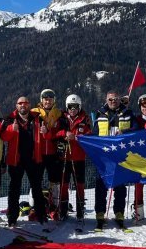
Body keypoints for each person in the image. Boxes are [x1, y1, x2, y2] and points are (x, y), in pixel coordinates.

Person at [1, 96, 46, 227]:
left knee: (37, 188)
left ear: (29, 105)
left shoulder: (37, 118)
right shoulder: (9, 119)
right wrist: (11, 129)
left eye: (25, 103)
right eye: (20, 103)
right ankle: (12, 218)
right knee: (14, 189)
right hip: (16, 159)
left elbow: (47, 135)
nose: (23, 105)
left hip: (33, 158)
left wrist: (45, 132)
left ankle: (41, 215)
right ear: (16, 106)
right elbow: (3, 137)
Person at [93, 91, 134, 230]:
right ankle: (100, 213)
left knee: (120, 186)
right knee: (101, 185)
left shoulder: (127, 112)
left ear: (119, 99)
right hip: (104, 156)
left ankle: (119, 212)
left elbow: (136, 129)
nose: (113, 101)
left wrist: (125, 132)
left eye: (115, 99)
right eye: (110, 99)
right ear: (106, 99)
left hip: (121, 155)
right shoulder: (100, 113)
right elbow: (94, 134)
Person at [55, 93, 92, 225]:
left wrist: (75, 136)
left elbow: (88, 135)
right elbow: (55, 132)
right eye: (70, 107)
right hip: (64, 157)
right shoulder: (62, 118)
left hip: (78, 158)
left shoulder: (84, 119)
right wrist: (65, 133)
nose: (72, 109)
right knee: (64, 185)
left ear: (79, 107)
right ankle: (63, 211)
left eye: (75, 107)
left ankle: (80, 213)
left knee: (80, 185)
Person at [33, 89, 64, 219]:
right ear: (41, 100)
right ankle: (36, 207)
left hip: (53, 153)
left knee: (55, 181)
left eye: (50, 99)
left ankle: (55, 206)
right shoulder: (33, 113)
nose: (47, 101)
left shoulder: (59, 114)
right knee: (36, 181)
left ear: (54, 100)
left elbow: (62, 132)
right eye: (45, 99)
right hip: (38, 153)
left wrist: (51, 134)